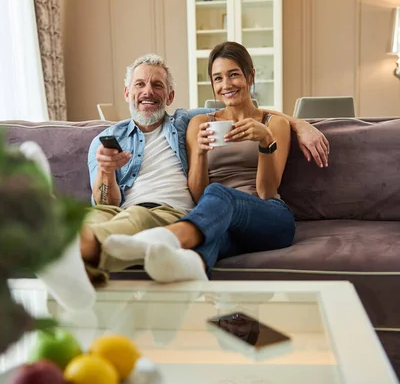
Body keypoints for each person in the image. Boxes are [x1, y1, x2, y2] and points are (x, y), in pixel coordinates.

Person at [26, 52, 329, 302]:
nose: (148, 92)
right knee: (96, 218)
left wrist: (297, 123)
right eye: (140, 84)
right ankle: (68, 254)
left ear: (170, 95)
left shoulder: (183, 121)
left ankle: (107, 246)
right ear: (127, 92)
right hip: (153, 210)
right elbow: (107, 201)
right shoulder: (109, 139)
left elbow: (240, 108)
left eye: (157, 85)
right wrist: (106, 171)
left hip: (177, 211)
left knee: (150, 215)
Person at [103, 43, 306, 283]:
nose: (226, 85)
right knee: (211, 235)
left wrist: (265, 140)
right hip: (219, 218)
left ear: (250, 76)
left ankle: (165, 237)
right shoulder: (199, 123)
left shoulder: (274, 125)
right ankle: (189, 267)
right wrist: (198, 152)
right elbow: (199, 196)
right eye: (218, 78)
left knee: (219, 193)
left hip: (269, 217)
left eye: (234, 75)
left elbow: (267, 191)